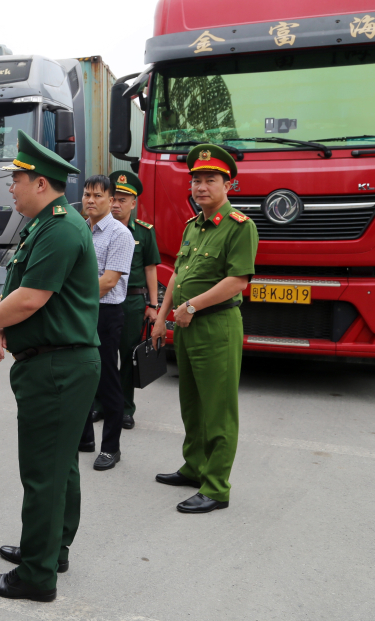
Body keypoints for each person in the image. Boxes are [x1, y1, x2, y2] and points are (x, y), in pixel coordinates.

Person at [0, 130, 100, 602]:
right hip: (55, 363)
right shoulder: (47, 225)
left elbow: (30, 298)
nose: (11, 187)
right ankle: (51, 549)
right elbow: (26, 294)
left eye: (16, 179)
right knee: (61, 466)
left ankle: (36, 575)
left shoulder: (62, 227)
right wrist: (6, 322)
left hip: (57, 368)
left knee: (43, 473)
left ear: (41, 183)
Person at [150, 144, 257, 514]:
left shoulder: (240, 227)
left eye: (210, 180)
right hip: (185, 326)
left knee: (218, 409)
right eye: (196, 180)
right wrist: (163, 316)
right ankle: (194, 467)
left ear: (229, 185)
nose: (201, 187)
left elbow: (238, 281)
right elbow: (178, 274)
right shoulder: (191, 226)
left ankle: (216, 487)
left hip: (216, 326)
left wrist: (192, 306)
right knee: (192, 404)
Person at [78, 175, 134, 471]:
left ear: (111, 200)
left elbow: (108, 282)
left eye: (98, 195)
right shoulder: (80, 229)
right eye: (87, 194)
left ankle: (111, 447)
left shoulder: (119, 234)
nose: (90, 200)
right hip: (79, 312)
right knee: (80, 375)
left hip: (104, 315)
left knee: (106, 380)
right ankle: (85, 438)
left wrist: (69, 295)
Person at [107, 171, 160, 429]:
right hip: (102, 300)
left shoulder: (145, 232)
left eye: (122, 199)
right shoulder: (95, 228)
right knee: (100, 355)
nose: (116, 204)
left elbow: (151, 268)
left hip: (132, 301)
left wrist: (153, 305)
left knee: (127, 356)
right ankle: (98, 405)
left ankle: (125, 408)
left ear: (133, 202)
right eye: (113, 198)